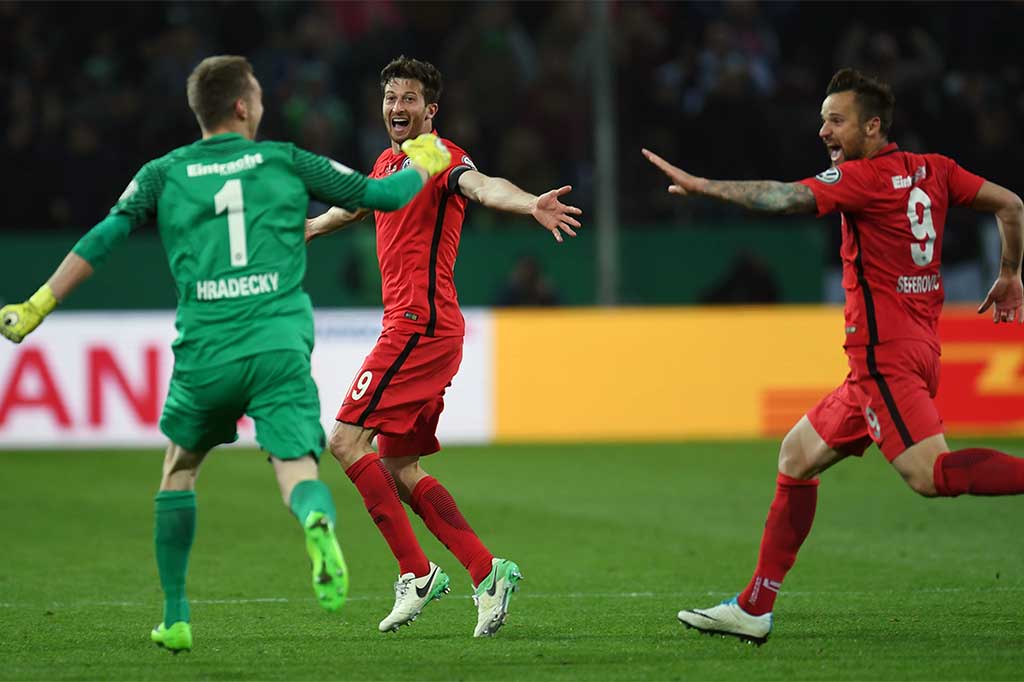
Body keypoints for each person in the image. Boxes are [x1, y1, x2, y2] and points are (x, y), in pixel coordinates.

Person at [0, 55, 451, 653]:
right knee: (296, 467)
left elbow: (105, 236)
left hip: (207, 349)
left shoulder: (163, 171)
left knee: (179, 470)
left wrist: (37, 305)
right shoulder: (285, 159)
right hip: (278, 345)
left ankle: (176, 614)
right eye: (259, 92)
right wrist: (428, 161)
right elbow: (383, 194)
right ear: (243, 106)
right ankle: (316, 520)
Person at [644, 67, 1024, 645]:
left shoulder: (862, 179)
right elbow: (1012, 205)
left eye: (836, 120)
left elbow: (787, 197)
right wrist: (1011, 273)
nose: (824, 130)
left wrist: (705, 187)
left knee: (930, 476)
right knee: (797, 455)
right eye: (822, 119)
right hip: (913, 349)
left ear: (873, 126)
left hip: (885, 358)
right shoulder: (937, 170)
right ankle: (753, 606)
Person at [305, 56, 582, 637]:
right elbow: (355, 204)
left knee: (346, 440)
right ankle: (488, 572)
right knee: (398, 463)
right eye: (389, 98)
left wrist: (529, 202)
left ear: (431, 110)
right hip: (426, 328)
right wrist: (306, 229)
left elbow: (481, 186)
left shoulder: (439, 157)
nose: (396, 108)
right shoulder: (388, 162)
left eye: (408, 99)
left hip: (418, 326)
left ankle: (417, 573)